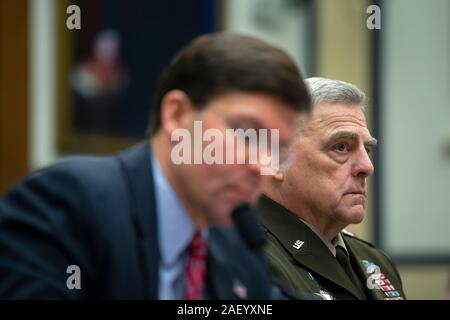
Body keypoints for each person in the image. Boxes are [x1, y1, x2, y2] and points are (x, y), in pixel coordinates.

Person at [0, 33, 310, 299]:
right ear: (176, 115)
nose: (260, 165)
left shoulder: (238, 248)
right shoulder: (69, 205)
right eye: (247, 134)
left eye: (277, 149)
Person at [257, 77, 406, 300]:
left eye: (367, 149)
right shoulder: (249, 260)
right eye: (341, 147)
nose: (367, 167)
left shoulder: (375, 260)